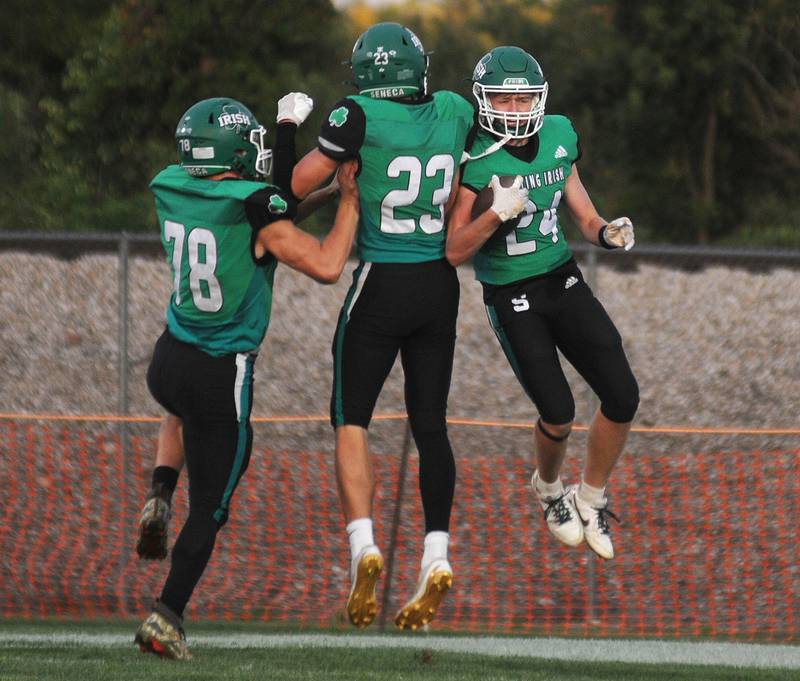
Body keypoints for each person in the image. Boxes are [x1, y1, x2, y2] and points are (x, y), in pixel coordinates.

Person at [134, 94, 360, 660]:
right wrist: (351, 203)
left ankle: (160, 490)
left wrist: (322, 193)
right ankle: (166, 617)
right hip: (221, 372)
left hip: (170, 358)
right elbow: (327, 265)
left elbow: (263, 217)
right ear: (234, 151)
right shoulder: (255, 202)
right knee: (211, 506)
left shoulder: (171, 184)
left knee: (177, 413)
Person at [288, 22, 476, 630]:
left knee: (351, 418)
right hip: (439, 286)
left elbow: (294, 187)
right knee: (431, 425)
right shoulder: (453, 108)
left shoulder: (355, 114)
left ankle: (364, 546)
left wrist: (301, 138)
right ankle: (436, 554)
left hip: (380, 283)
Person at [446, 46, 639, 561]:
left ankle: (591, 496)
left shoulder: (557, 134)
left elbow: (583, 213)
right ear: (485, 101)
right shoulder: (476, 156)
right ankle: (550, 489)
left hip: (561, 277)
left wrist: (607, 232)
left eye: (523, 97)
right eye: (503, 99)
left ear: (540, 97)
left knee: (622, 396)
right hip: (511, 292)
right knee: (558, 412)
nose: (513, 108)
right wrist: (493, 215)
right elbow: (454, 249)